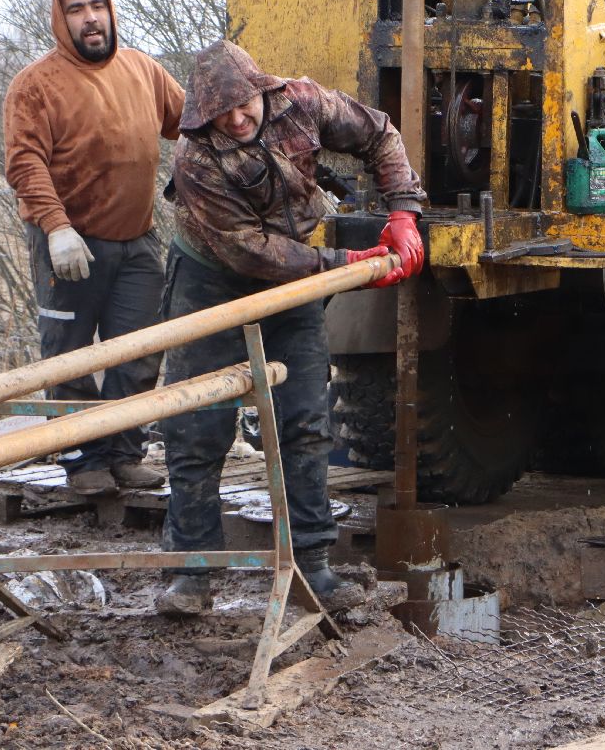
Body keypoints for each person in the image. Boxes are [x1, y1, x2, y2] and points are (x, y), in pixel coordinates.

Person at [155, 40, 426, 616]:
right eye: (223, 114)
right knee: (197, 425)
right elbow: (250, 251)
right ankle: (191, 573)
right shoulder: (196, 159)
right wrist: (342, 264)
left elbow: (380, 133)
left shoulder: (304, 103)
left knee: (305, 417)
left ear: (262, 89)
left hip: (295, 274)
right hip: (210, 278)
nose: (237, 119)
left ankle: (312, 564)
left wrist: (404, 209)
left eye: (244, 105)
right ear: (205, 116)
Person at [3, 0, 185, 497]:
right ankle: (83, 460)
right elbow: (24, 163)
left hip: (137, 240)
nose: (90, 18)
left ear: (111, 11)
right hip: (69, 243)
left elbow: (193, 123)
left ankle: (125, 454)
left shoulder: (143, 70)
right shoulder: (36, 85)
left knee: (140, 349)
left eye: (97, 6)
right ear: (61, 20)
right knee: (71, 354)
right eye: (77, 9)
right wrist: (56, 228)